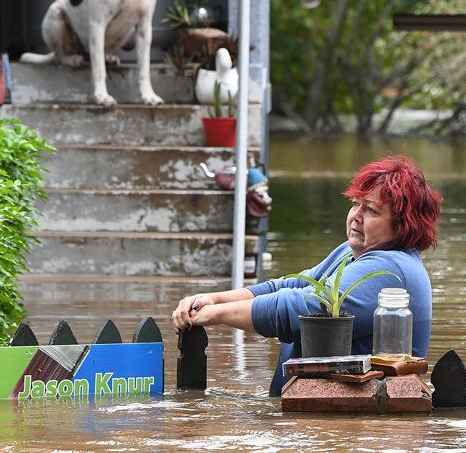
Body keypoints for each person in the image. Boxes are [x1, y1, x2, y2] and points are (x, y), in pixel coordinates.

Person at [171, 155, 442, 396]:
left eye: (370, 210)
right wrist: (214, 299)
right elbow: (293, 284)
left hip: (352, 423)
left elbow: (305, 309)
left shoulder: (390, 270)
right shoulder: (351, 252)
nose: (355, 217)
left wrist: (214, 315)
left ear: (403, 224)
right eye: (355, 205)